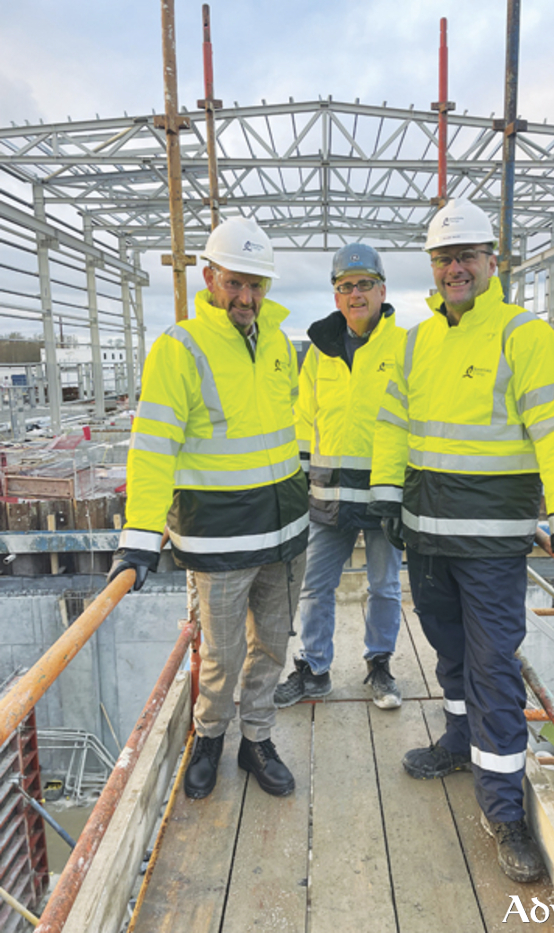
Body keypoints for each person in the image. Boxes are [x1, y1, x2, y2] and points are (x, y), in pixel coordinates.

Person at [368, 199, 554, 883]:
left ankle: (504, 810)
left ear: (493, 261)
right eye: (444, 258)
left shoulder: (523, 336)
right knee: (450, 651)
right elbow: (392, 423)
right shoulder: (416, 341)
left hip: (492, 543)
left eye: (466, 255)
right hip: (427, 536)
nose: (455, 268)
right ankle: (460, 740)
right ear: (433, 268)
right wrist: (386, 493)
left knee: (493, 664)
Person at [108, 216, 309, 800]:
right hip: (219, 535)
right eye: (234, 282)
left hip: (284, 530)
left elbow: (286, 428)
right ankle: (210, 737)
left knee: (272, 645)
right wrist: (140, 535)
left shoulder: (279, 343)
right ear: (209, 277)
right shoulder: (180, 349)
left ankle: (257, 740)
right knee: (221, 654)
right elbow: (153, 448)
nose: (245, 297)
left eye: (256, 284)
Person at [274, 244, 406, 711]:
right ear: (336, 296)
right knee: (314, 586)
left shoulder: (404, 347)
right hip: (328, 494)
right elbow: (303, 420)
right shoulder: (319, 353)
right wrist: (297, 485)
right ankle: (314, 669)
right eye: (346, 286)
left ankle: (379, 665)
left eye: (365, 284)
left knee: (385, 587)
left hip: (383, 494)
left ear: (382, 290)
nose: (356, 294)